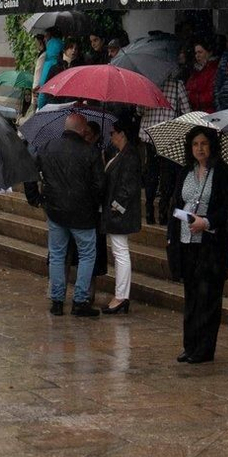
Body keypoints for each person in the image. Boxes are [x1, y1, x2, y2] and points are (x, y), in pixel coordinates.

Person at [167, 127, 228, 363]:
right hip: (187, 241)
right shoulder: (186, 170)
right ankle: (190, 345)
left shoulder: (223, 173)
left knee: (208, 296)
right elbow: (177, 201)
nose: (199, 149)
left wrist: (207, 222)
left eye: (204, 144)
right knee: (192, 296)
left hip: (210, 243)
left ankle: (204, 349)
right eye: (195, 144)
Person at [30, 111, 105, 317]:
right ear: (82, 130)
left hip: (55, 211)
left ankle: (57, 300)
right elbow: (100, 185)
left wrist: (35, 198)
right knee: (87, 254)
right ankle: (80, 300)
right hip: (83, 214)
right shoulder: (90, 152)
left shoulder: (47, 147)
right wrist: (93, 202)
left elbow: (29, 171)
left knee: (57, 255)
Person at [102, 115, 142, 314]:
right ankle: (120, 294)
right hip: (117, 210)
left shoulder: (130, 156)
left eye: (113, 133)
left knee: (120, 252)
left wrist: (116, 206)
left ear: (122, 134)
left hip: (119, 213)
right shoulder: (121, 154)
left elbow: (128, 187)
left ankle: (121, 295)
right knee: (119, 252)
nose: (111, 137)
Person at [139, 68, 188, 225]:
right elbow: (187, 111)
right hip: (168, 135)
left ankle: (148, 211)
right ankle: (163, 212)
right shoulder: (176, 85)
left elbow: (139, 110)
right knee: (166, 175)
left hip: (148, 134)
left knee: (151, 174)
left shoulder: (147, 85)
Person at [185, 38, 219, 113]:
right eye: (196, 53)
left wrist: (192, 96)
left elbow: (211, 96)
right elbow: (188, 88)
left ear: (209, 53)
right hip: (196, 113)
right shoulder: (196, 70)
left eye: (200, 52)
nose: (197, 55)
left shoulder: (214, 70)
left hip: (209, 113)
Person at [33, 33, 63, 109]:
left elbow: (43, 87)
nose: (44, 39)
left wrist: (40, 105)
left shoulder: (48, 63)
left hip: (48, 103)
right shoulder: (62, 62)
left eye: (46, 36)